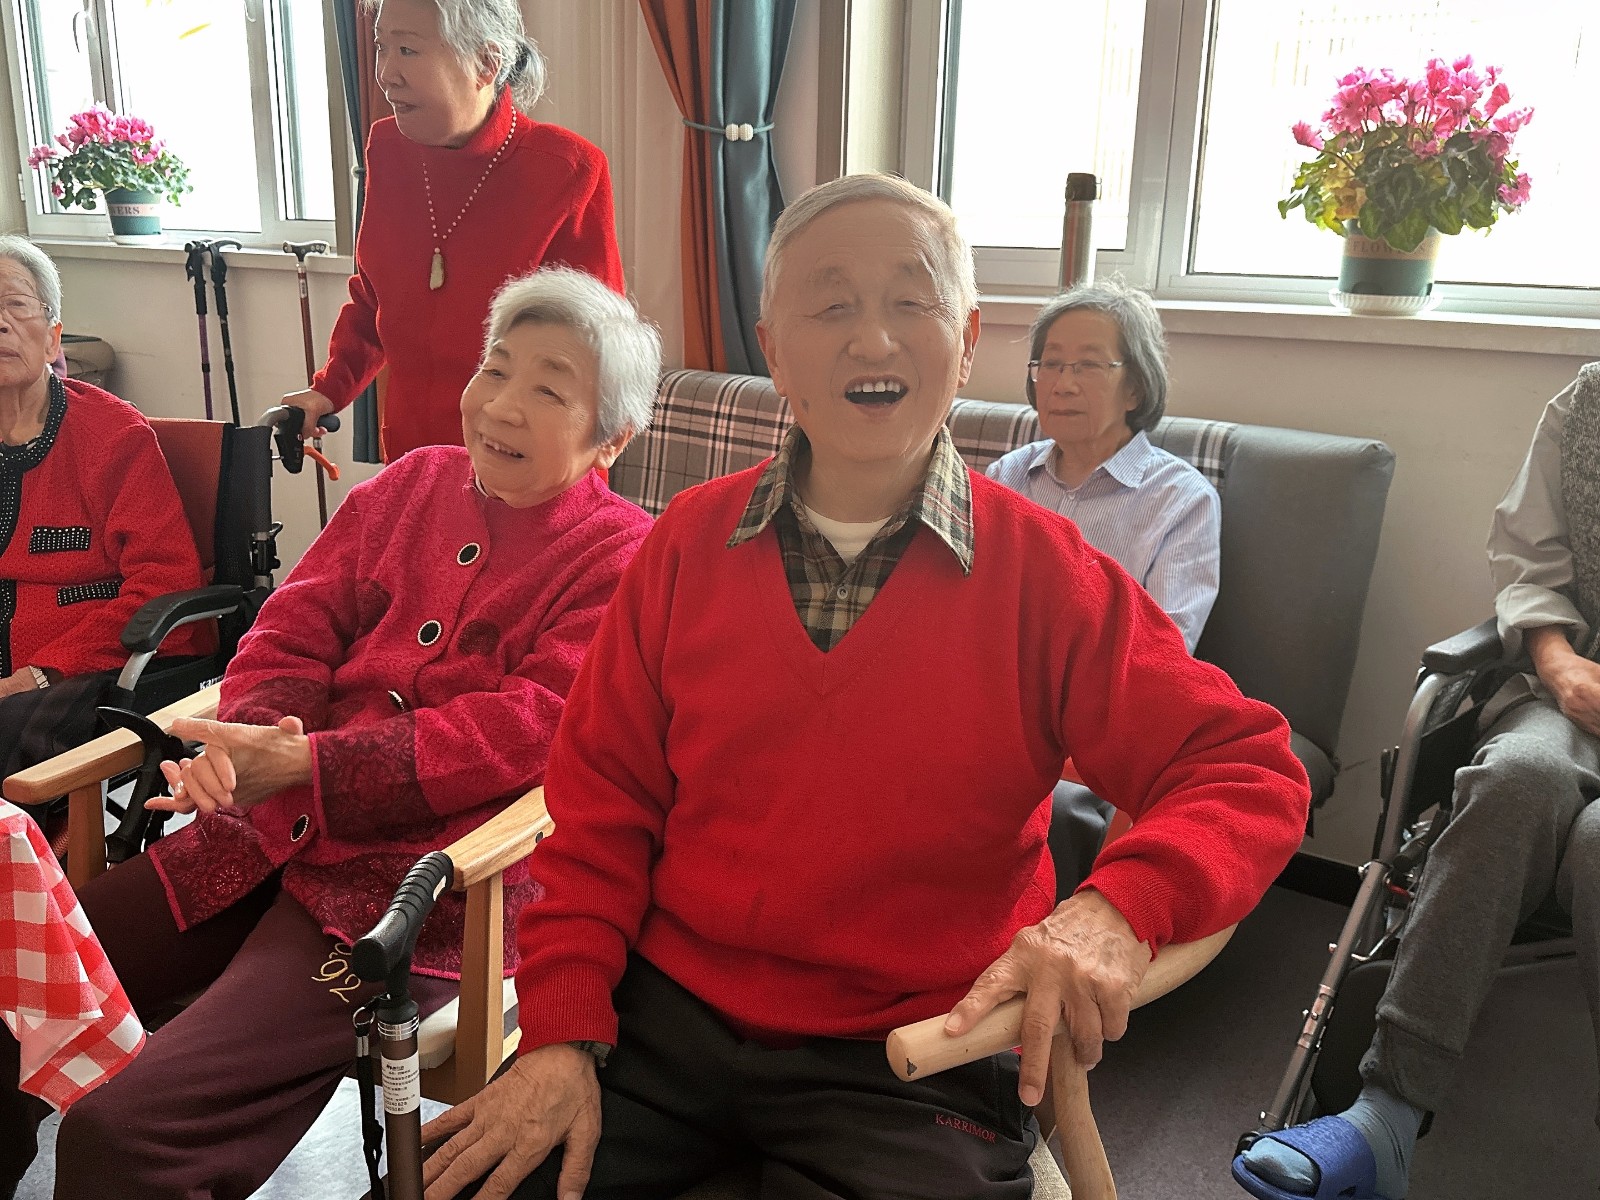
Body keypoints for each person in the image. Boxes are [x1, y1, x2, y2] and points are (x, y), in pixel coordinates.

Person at [421, 174, 1311, 1200]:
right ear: (773, 350)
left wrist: (1114, 909)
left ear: (966, 340)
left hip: (919, 1052)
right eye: (832, 304)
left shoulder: (1047, 577)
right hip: (659, 1023)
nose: (873, 339)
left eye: (911, 301)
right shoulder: (682, 550)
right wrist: (560, 1031)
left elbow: (1246, 767)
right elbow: (600, 812)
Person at [0, 267, 659, 1200]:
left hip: (407, 902)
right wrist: (252, 741)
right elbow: (292, 627)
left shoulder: (622, 558)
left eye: (550, 391)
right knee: (10, 986)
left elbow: (521, 732)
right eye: (496, 368)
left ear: (612, 438)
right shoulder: (412, 484)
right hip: (252, 837)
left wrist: (307, 765)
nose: (502, 405)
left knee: (127, 1135)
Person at [1234, 362, 1600, 1200]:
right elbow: (1529, 560)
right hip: (1573, 691)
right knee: (1515, 778)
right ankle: (1387, 1113)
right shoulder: (1588, 405)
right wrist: (1559, 663)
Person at [285, 0, 625, 462]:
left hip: (524, 465)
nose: (385, 74)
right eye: (381, 47)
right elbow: (373, 301)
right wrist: (326, 391)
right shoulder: (387, 149)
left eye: (407, 50)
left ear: (486, 63)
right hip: (415, 458)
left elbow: (596, 346)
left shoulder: (566, 169)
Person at [987, 279, 1221, 895]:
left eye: (1088, 365)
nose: (1061, 383)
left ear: (1135, 387)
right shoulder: (1007, 477)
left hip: (1094, 723)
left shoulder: (1181, 499)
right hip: (991, 704)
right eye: (1050, 364)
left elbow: (1166, 651)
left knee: (1055, 806)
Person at [0, 235, 207, 788]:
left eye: (16, 305)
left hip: (90, 670)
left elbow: (165, 582)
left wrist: (39, 673)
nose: (0, 324)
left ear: (53, 337)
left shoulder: (112, 436)